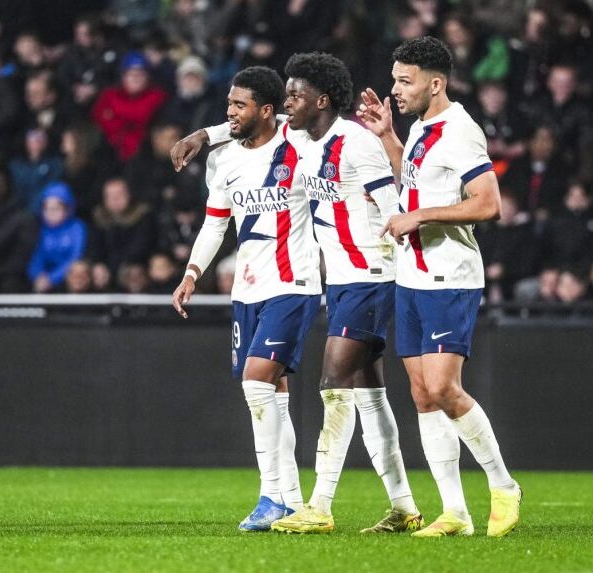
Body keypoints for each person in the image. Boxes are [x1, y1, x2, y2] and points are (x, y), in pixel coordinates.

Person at [172, 53, 422, 535]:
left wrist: (409, 259)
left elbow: (396, 205)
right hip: (315, 282)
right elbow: (217, 217)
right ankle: (400, 505)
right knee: (369, 395)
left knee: (323, 383)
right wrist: (204, 135)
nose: (289, 104)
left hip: (347, 276)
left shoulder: (332, 140)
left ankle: (313, 505)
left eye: (293, 96)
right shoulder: (303, 143)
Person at [356, 36, 521, 537]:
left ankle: (504, 485)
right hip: (411, 275)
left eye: (405, 81)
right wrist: (388, 137)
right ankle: (455, 513)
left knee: (445, 388)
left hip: (450, 275)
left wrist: (420, 216)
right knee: (423, 395)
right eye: (394, 79)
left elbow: (488, 203)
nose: (395, 89)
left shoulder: (462, 131)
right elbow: (415, 182)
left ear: (435, 84)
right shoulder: (422, 128)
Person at [171, 66, 322, 532]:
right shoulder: (225, 161)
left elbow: (325, 127)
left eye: (240, 105)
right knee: (272, 395)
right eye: (229, 104)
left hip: (293, 284)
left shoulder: (299, 144)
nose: (231, 112)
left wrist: (203, 133)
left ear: (268, 110)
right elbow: (215, 224)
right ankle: (292, 501)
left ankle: (270, 496)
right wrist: (192, 273)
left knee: (256, 384)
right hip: (248, 289)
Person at [27, 182, 87, 293]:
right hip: (44, 282)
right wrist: (37, 276)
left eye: (56, 209)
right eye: (47, 209)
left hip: (67, 280)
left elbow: (75, 257)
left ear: (67, 209)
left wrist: (52, 278)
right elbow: (37, 257)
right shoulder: (40, 229)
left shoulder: (77, 227)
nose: (50, 213)